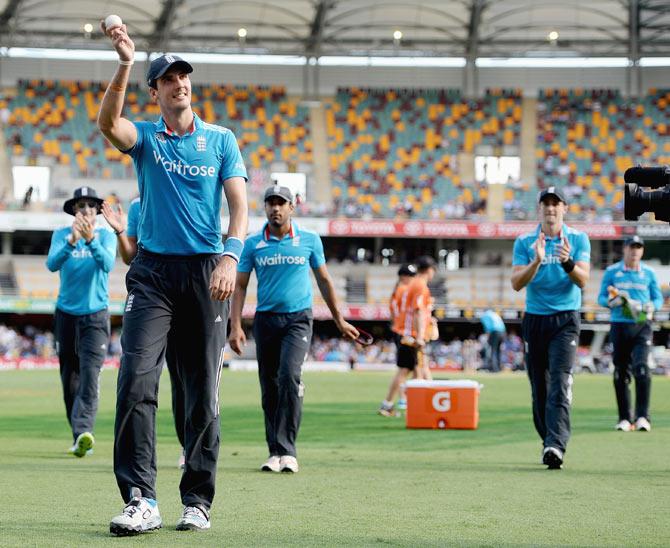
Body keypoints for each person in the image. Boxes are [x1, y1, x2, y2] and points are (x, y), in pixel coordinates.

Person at [99, 22, 248, 535]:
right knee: (135, 379)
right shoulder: (145, 137)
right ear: (155, 90)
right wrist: (124, 61)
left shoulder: (221, 139)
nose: (179, 82)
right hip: (153, 275)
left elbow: (239, 206)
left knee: (201, 390)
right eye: (168, 78)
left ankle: (197, 500)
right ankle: (141, 499)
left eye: (185, 76)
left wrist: (230, 258)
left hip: (208, 272)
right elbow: (107, 124)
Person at [229, 185, 358, 473]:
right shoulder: (253, 244)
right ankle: (274, 452)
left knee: (289, 376)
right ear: (265, 208)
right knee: (270, 388)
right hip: (265, 320)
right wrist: (235, 325)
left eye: (281, 203)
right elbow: (239, 286)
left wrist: (339, 319)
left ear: (292, 207)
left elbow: (324, 280)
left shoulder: (309, 240)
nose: (275, 208)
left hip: (298, 319)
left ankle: (288, 451)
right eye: (270, 203)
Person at [102, 198, 186, 469]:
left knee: (185, 381)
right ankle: (140, 470)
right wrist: (119, 232)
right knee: (139, 378)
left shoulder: (185, 186)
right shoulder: (139, 205)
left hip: (190, 289)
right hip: (152, 294)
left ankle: (189, 447)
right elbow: (130, 256)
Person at [511, 187, 590, 470]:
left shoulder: (579, 238)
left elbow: (582, 280)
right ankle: (549, 441)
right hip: (535, 318)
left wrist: (567, 261)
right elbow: (517, 283)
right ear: (539, 209)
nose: (551, 209)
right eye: (546, 204)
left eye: (556, 204)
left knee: (559, 380)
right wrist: (537, 260)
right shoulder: (525, 241)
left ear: (564, 208)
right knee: (539, 387)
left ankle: (556, 444)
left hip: (566, 319)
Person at [46, 186, 116, 458]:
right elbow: (52, 264)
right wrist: (73, 242)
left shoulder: (106, 236)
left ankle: (85, 430)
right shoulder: (61, 235)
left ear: (97, 210)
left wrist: (90, 241)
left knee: (89, 375)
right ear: (74, 210)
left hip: (96, 316)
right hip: (66, 315)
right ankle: (79, 437)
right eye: (81, 206)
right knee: (69, 378)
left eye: (90, 206)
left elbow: (108, 264)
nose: (86, 210)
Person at [597, 235, 663, 432]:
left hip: (642, 324)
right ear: (624, 249)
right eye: (631, 247)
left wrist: (651, 305)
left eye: (638, 247)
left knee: (642, 368)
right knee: (620, 371)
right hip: (619, 325)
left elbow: (657, 298)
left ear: (642, 251)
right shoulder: (612, 272)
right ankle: (625, 418)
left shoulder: (649, 273)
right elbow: (601, 297)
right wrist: (611, 302)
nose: (635, 251)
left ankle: (643, 417)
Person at [379, 256, 437, 417]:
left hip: (405, 331)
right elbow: (417, 311)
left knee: (417, 369)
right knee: (407, 370)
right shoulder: (417, 286)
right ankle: (397, 405)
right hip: (409, 333)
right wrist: (419, 335)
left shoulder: (407, 287)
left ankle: (414, 403)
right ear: (430, 270)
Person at [389, 263, 416, 410]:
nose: (412, 279)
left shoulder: (396, 291)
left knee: (406, 368)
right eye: (410, 276)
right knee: (405, 369)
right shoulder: (405, 290)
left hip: (397, 330)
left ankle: (402, 398)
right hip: (404, 331)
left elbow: (393, 313)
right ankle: (399, 399)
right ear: (404, 277)